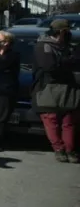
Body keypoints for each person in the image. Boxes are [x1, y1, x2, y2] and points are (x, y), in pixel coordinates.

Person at [32, 19, 80, 163]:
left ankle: (70, 150)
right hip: (48, 88)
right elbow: (50, 67)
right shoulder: (43, 46)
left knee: (68, 120)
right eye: (66, 31)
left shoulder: (68, 47)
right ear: (60, 32)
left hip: (68, 88)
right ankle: (59, 149)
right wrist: (68, 63)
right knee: (51, 120)